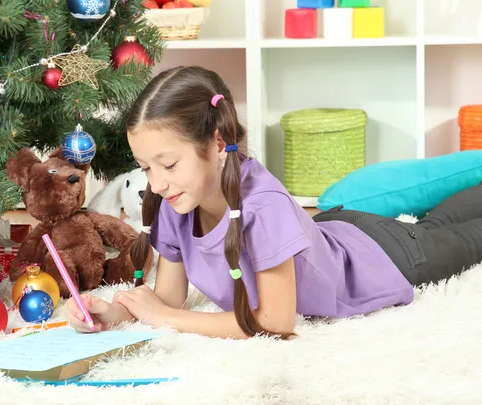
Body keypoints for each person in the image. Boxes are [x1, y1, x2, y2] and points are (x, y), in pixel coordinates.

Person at [65, 66, 482, 339]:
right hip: (339, 230)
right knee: (434, 223)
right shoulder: (177, 199)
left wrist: (170, 321)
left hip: (387, 257)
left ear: (215, 142)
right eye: (145, 167)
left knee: (455, 236)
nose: (156, 183)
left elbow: (276, 322)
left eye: (168, 164)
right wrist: (113, 314)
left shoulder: (261, 207)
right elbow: (169, 298)